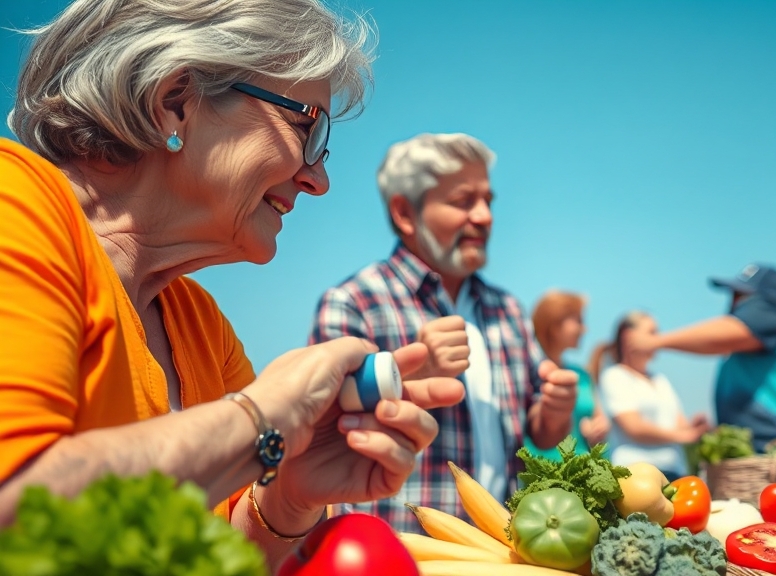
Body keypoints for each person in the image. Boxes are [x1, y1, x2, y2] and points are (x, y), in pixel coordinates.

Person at [0, 1, 464, 569]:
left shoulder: (199, 324)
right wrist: (261, 418)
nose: (317, 179)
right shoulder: (13, 205)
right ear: (173, 104)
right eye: (306, 126)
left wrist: (289, 494)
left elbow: (214, 557)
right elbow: (15, 510)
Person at [309, 133, 578, 533]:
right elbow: (324, 427)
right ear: (404, 212)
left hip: (498, 551)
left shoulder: (508, 311)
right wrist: (413, 370)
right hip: (394, 549)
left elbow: (540, 432)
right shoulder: (355, 302)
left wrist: (555, 410)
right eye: (463, 201)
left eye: (488, 201)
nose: (485, 216)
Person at [629, 264, 776, 452]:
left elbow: (728, 332)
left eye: (741, 295)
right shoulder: (741, 349)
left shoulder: (773, 319)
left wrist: (655, 341)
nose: (732, 302)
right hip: (756, 455)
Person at [590, 311, 710, 479]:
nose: (657, 338)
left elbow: (679, 423)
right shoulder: (614, 376)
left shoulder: (661, 380)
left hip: (675, 470)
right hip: (636, 474)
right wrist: (682, 435)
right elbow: (633, 427)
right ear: (628, 336)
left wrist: (693, 428)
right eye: (652, 333)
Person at [525, 291, 609, 459]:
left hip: (585, 470)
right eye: (578, 321)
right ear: (555, 325)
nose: (584, 329)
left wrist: (601, 426)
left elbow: (600, 417)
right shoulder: (527, 372)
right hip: (545, 474)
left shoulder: (583, 376)